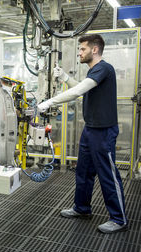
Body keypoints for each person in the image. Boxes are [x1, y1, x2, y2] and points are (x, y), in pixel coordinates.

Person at [37, 34, 128, 234]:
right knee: (84, 171)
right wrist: (64, 78)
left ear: (94, 50)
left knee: (107, 175)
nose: (79, 53)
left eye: (82, 49)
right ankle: (82, 207)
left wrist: (50, 102)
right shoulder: (94, 71)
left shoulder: (104, 68)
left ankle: (119, 218)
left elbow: (79, 91)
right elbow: (82, 88)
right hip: (90, 129)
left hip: (103, 131)